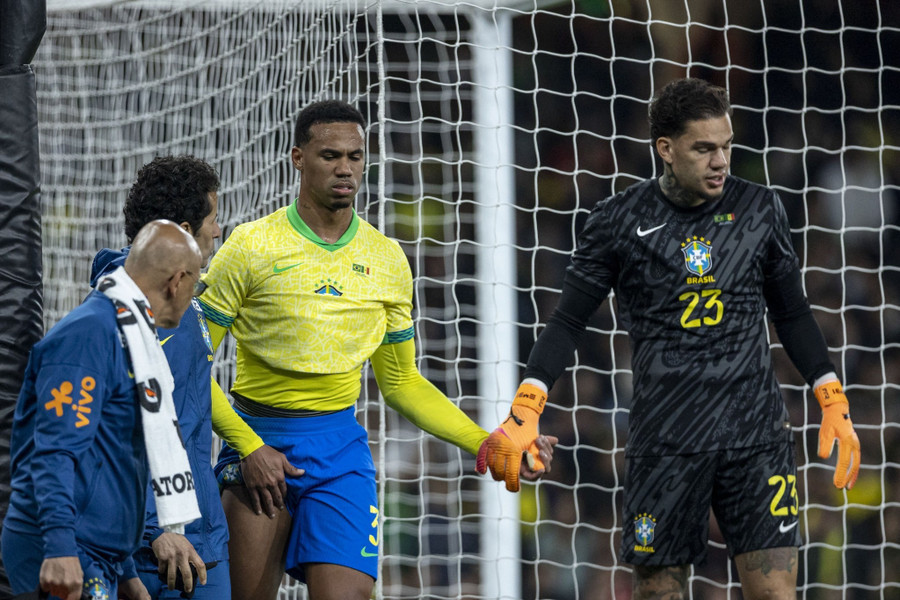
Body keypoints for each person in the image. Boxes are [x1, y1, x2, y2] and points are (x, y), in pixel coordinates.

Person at [477, 77, 861, 599]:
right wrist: (527, 405)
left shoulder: (759, 209)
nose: (721, 160)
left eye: (726, 146)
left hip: (754, 435)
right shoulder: (618, 221)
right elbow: (568, 321)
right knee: (659, 592)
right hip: (666, 441)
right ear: (666, 149)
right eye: (704, 148)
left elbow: (792, 313)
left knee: (774, 593)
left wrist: (831, 396)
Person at [195, 99, 558, 600]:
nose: (345, 168)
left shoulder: (386, 260)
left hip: (340, 451)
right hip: (257, 440)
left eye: (355, 156)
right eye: (330, 156)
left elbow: (402, 382)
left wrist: (485, 442)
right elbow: (191, 364)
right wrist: (251, 446)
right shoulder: (251, 247)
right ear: (297, 157)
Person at [89, 155, 303, 599]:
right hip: (157, 547)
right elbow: (114, 427)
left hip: (199, 533)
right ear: (185, 230)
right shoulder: (132, 312)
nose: (218, 230)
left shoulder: (179, 300)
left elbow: (183, 410)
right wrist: (154, 528)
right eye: (214, 218)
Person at [1, 220, 203, 600]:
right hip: (64, 549)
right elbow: (55, 452)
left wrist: (125, 572)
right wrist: (60, 546)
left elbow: (112, 455)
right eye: (196, 283)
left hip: (97, 553)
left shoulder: (134, 335)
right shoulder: (90, 334)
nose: (194, 296)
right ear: (177, 282)